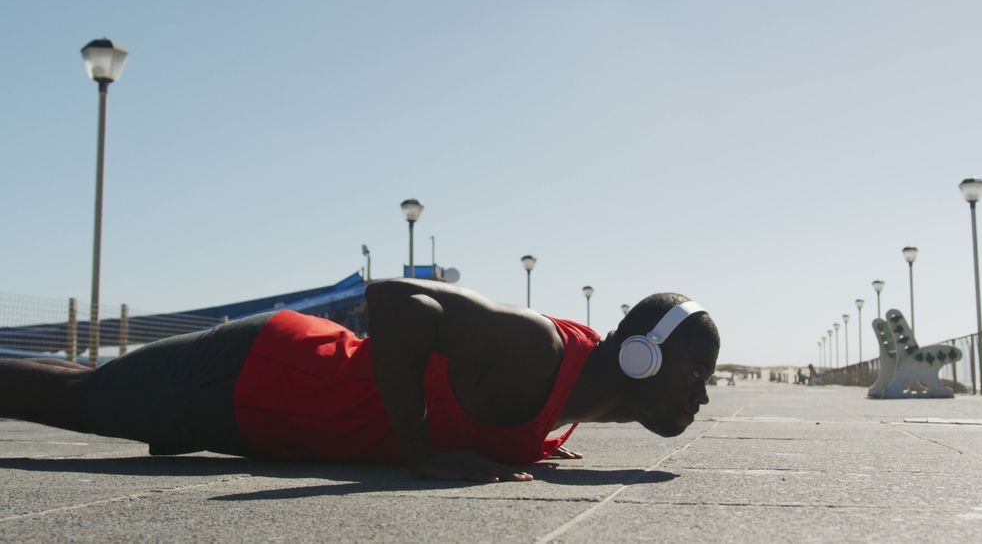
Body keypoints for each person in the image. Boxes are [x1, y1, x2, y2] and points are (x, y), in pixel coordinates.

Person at [0, 279, 719, 483]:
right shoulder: (536, 349)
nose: (702, 394)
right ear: (640, 360)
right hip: (262, 374)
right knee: (74, 399)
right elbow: (395, 303)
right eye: (697, 372)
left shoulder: (575, 394)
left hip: (262, 416)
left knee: (81, 387)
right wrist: (421, 457)